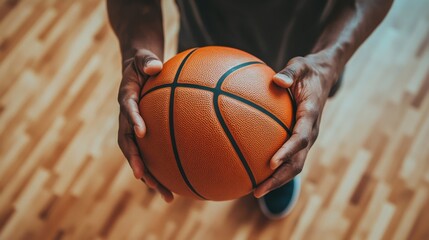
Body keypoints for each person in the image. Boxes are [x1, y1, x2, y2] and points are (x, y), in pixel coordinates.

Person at [107, 0, 392, 219]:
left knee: (280, 138)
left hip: (301, 50)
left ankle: (273, 162)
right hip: (200, 61)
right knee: (190, 138)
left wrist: (328, 61)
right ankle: (194, 158)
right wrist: (136, 56)